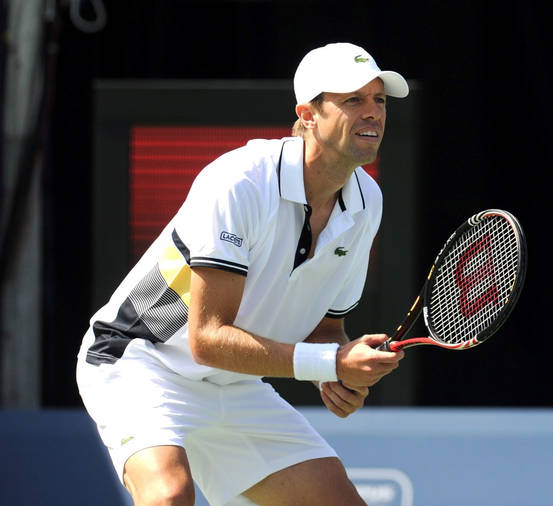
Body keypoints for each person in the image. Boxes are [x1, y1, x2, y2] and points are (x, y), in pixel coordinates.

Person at [76, 42, 408, 505]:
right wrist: (329, 363)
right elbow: (208, 339)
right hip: (141, 360)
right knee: (168, 495)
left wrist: (335, 374)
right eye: (353, 99)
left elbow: (326, 328)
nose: (373, 112)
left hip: (233, 383)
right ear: (308, 115)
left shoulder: (367, 201)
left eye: (380, 99)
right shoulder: (241, 181)